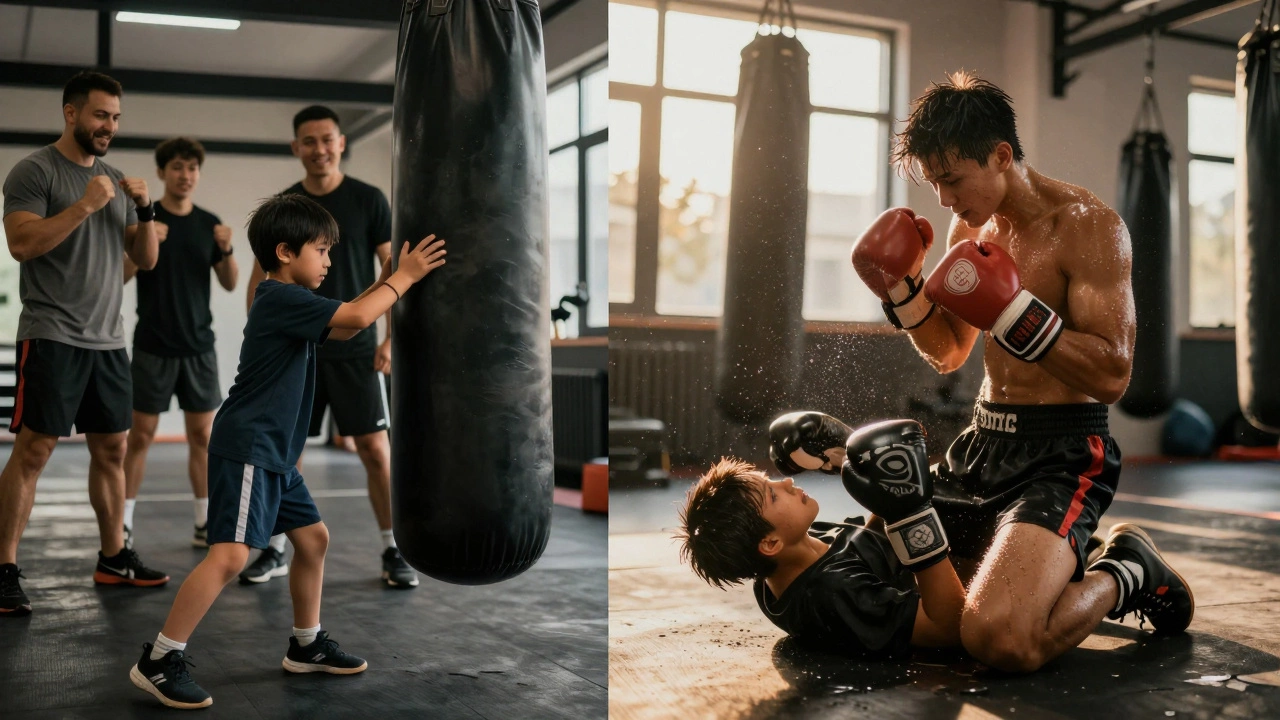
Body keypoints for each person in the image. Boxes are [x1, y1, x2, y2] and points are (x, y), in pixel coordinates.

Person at [849, 71, 1192, 672]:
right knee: (866, 575)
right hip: (981, 443)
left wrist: (1013, 312)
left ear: (1001, 156)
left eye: (952, 180)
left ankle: (1127, 568)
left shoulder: (1089, 227)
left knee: (1000, 639)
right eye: (935, 185)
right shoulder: (968, 229)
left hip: (1060, 453)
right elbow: (951, 351)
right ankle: (1033, 563)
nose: (946, 201)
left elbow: (1112, 375)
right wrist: (903, 293)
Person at [128, 194, 446, 709]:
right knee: (231, 555)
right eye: (321, 251)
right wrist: (404, 275)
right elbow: (360, 317)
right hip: (252, 448)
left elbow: (345, 323)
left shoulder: (289, 300)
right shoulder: (277, 297)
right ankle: (160, 660)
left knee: (314, 540)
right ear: (283, 252)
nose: (327, 261)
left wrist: (383, 279)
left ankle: (306, 644)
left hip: (275, 452)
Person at [0, 71, 169, 617]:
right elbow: (23, 244)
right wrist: (84, 207)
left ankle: (114, 556)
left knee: (113, 449)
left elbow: (144, 261)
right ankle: (3, 568)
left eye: (116, 118)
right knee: (35, 451)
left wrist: (145, 212)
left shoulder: (116, 179)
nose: (109, 127)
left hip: (106, 341)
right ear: (71, 113)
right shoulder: (34, 171)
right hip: (51, 335)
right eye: (100, 115)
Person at [240, 105, 414, 588]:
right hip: (303, 349)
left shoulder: (368, 199)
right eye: (309, 141)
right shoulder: (286, 208)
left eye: (327, 139)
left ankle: (392, 547)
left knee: (375, 450)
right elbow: (258, 288)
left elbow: (391, 269)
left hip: (355, 346)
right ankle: (274, 546)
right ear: (296, 148)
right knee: (287, 451)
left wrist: (391, 340)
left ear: (341, 142)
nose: (319, 149)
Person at [678, 412, 966, 658]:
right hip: (958, 591)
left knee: (941, 476)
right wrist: (910, 515)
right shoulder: (834, 592)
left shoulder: (785, 559)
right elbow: (949, 628)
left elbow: (869, 550)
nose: (788, 482)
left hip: (936, 561)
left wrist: (855, 458)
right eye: (773, 496)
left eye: (771, 481)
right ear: (770, 543)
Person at [122, 137, 239, 549]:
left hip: (198, 347)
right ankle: (124, 523)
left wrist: (226, 248)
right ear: (161, 173)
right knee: (139, 437)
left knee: (203, 438)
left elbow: (230, 283)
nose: (185, 175)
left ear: (197, 174)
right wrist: (145, 239)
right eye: (176, 168)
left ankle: (204, 522)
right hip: (153, 344)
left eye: (191, 168)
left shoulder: (210, 223)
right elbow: (119, 277)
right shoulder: (144, 220)